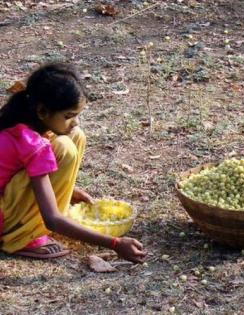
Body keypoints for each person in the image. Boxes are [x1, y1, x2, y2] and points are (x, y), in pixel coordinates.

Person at [0, 62, 146, 262]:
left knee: (76, 135)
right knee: (65, 148)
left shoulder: (24, 121)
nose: (75, 121)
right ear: (42, 111)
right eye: (68, 116)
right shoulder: (33, 144)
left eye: (77, 115)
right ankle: (22, 237)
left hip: (7, 198)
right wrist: (114, 243)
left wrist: (70, 191)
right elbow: (53, 220)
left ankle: (33, 218)